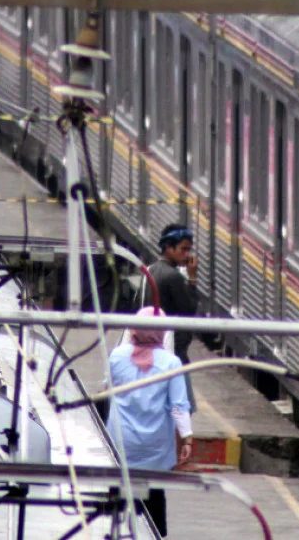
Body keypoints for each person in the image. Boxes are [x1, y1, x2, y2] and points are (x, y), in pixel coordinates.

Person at [108, 306, 193, 536]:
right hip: (155, 449)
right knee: (154, 498)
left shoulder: (117, 357)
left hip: (121, 444)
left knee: (116, 503)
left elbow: (109, 390)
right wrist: (187, 438)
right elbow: (178, 406)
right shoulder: (171, 363)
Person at [148, 223, 199, 413]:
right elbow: (189, 310)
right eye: (183, 249)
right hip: (174, 351)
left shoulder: (150, 270)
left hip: (153, 348)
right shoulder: (173, 277)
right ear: (168, 247)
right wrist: (192, 279)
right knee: (183, 408)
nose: (187, 255)